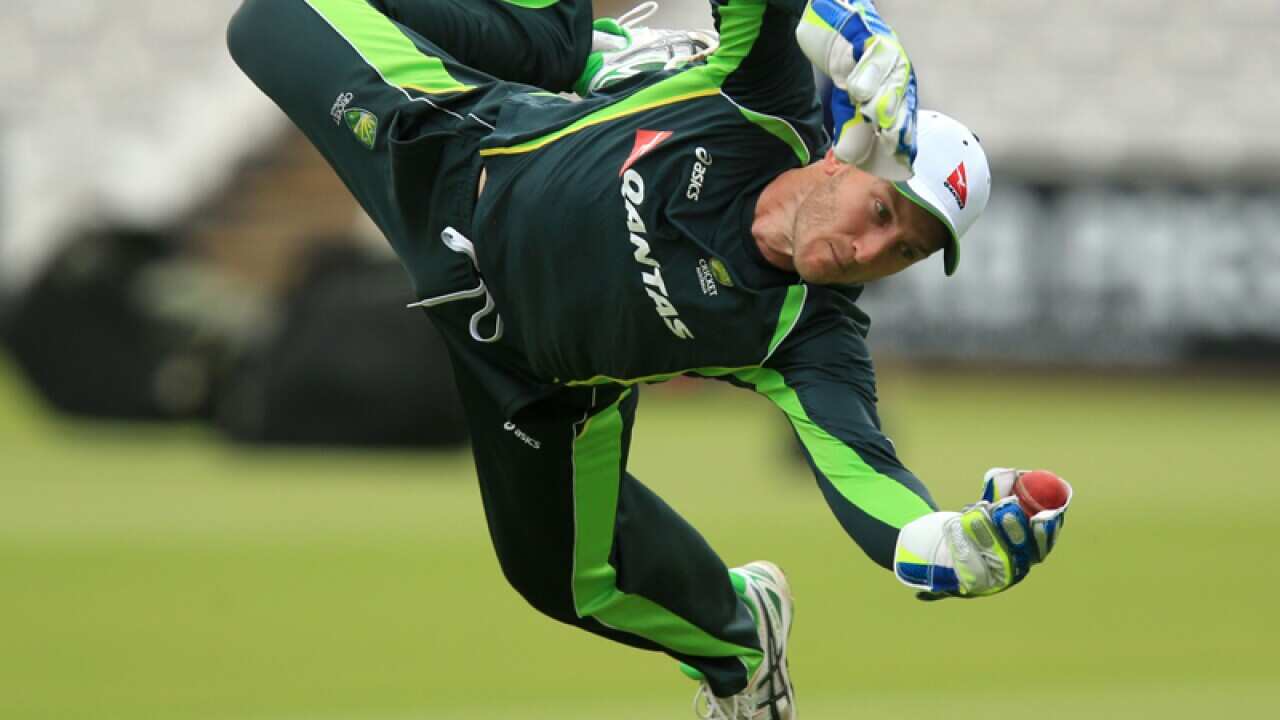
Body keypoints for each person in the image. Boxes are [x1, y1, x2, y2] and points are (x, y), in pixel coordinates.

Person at [227, 1, 1073, 717]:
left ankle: (742, 639)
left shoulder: (808, 335)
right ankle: (563, 47)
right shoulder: (760, 107)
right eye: (883, 210)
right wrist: (843, 20)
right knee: (267, 21)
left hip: (535, 381)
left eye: (908, 251)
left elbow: (873, 484)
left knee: (566, 584)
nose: (873, 249)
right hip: (449, 150)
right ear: (847, 153)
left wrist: (951, 548)